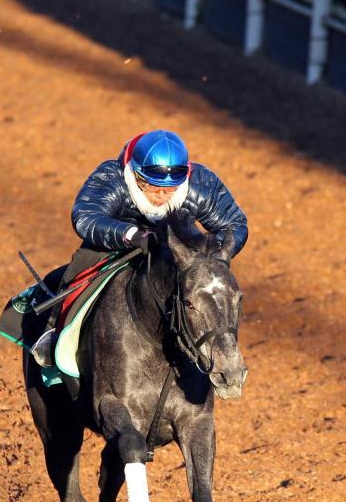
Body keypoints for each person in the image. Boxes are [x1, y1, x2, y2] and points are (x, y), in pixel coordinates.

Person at [30, 129, 249, 367]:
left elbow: (234, 224)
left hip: (178, 244)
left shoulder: (202, 182)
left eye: (171, 189)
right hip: (120, 240)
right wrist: (130, 234)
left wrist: (216, 252)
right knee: (83, 261)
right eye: (154, 187)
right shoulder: (111, 177)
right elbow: (86, 216)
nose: (163, 195)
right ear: (136, 175)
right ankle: (55, 328)